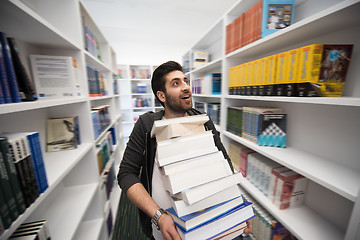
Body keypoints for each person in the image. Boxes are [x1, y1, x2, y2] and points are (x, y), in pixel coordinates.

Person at [117, 61, 252, 240]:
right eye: (176, 83)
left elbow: (224, 164)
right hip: (170, 226)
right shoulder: (147, 125)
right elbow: (126, 174)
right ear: (161, 96)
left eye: (185, 81)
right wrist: (159, 216)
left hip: (208, 217)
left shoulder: (203, 120)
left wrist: (238, 204)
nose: (186, 87)